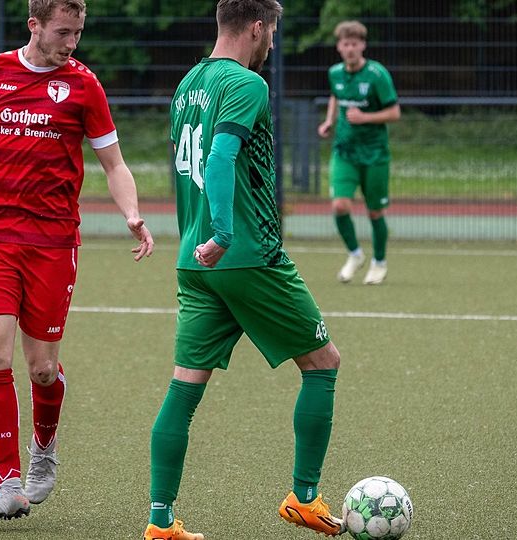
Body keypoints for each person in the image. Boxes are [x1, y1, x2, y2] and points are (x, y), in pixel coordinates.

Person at [0, 0, 154, 522]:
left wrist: (131, 212)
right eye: (63, 32)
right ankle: (8, 481)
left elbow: (114, 163)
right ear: (33, 25)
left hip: (53, 243)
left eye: (78, 33)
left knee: (41, 369)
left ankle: (43, 450)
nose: (72, 43)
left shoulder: (84, 86)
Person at [143, 1, 344, 539]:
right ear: (257, 27)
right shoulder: (248, 84)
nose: (272, 43)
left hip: (194, 262)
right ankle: (304, 497)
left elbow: (189, 162)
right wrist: (225, 234)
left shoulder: (188, 84)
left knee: (184, 389)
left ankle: (160, 522)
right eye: (272, 32)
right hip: (246, 255)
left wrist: (207, 239)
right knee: (323, 363)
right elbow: (218, 158)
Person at [317, 20, 400, 285]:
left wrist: (365, 118)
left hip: (375, 154)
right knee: (339, 205)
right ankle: (355, 254)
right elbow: (335, 96)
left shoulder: (377, 74)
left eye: (355, 44)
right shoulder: (335, 73)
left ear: (362, 45)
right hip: (344, 151)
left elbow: (394, 112)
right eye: (346, 44)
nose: (350, 48)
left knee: (375, 212)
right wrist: (329, 121)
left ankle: (379, 263)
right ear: (339, 47)